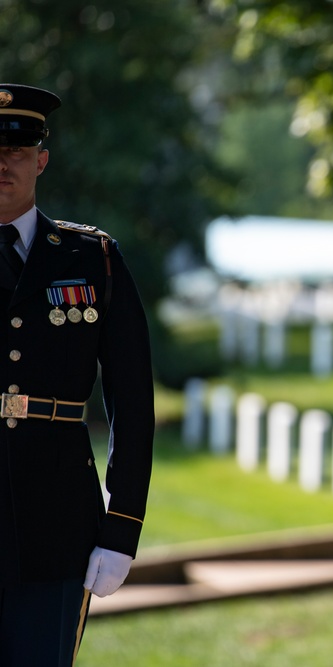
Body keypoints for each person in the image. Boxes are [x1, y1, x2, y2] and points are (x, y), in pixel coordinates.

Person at [0, 83, 154, 665]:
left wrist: (122, 527)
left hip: (57, 524)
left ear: (40, 159)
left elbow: (133, 402)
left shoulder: (93, 257)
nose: (2, 164)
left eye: (15, 151)